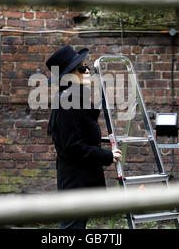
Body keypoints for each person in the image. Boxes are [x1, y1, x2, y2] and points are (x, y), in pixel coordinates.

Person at [46, 45, 122, 229]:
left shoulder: (75, 100)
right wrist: (107, 156)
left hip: (82, 179)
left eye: (86, 66)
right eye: (82, 68)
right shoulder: (67, 103)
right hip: (75, 182)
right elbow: (73, 147)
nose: (88, 70)